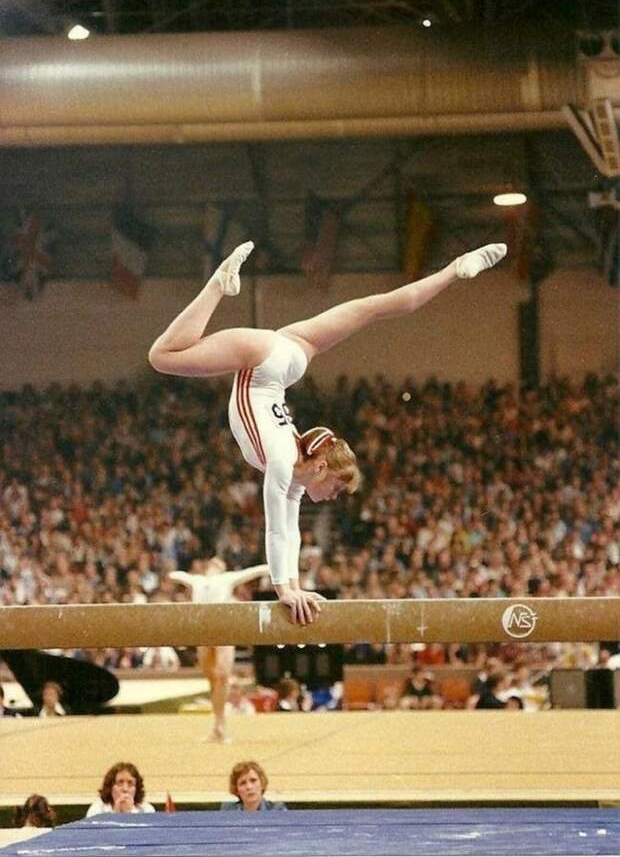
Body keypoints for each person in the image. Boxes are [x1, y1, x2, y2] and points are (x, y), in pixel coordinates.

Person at [149, 239, 507, 625]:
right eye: (337, 487)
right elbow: (276, 528)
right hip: (263, 360)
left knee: (373, 307)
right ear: (320, 466)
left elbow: (289, 530)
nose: (334, 496)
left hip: (284, 357)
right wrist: (284, 590)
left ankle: (455, 268)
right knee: (161, 357)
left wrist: (293, 586)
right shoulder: (284, 460)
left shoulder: (292, 470)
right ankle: (220, 281)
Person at [169, 559, 269, 743]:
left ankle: (220, 724)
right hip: (203, 631)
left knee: (222, 675)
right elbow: (178, 576)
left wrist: (272, 568)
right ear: (207, 568)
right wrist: (171, 574)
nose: (215, 568)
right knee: (212, 679)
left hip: (223, 629)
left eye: (219, 566)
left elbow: (252, 571)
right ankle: (217, 725)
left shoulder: (227, 578)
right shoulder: (197, 580)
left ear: (222, 569)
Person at [86, 762, 156, 816]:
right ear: (110, 787)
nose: (125, 789)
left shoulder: (147, 809)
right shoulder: (97, 809)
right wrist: (116, 814)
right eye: (120, 782)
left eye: (130, 783)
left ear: (136, 788)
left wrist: (131, 812)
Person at [220, 760, 287, 812]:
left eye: (253, 780)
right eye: (243, 783)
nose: (249, 787)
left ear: (262, 783)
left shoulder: (277, 809)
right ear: (236, 789)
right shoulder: (227, 810)